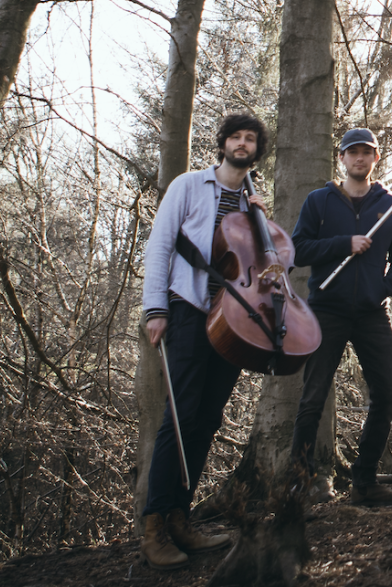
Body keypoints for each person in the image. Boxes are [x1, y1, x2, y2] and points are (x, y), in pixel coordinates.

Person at [139, 114, 268, 571]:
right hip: (189, 310)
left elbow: (258, 268)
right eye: (236, 137)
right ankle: (154, 524)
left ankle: (181, 518)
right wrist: (155, 309)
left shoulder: (254, 202)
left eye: (251, 139)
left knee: (207, 417)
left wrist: (261, 224)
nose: (242, 144)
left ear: (258, 149)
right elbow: (160, 246)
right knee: (180, 416)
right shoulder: (189, 186)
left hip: (232, 322)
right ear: (223, 144)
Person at [289, 127, 392, 506]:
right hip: (326, 309)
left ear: (376, 158)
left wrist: (381, 290)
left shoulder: (391, 205)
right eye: (352, 152)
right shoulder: (319, 201)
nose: (359, 158)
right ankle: (297, 487)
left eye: (367, 152)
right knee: (312, 397)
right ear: (341, 158)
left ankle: (363, 482)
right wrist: (344, 244)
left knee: (387, 394)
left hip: (372, 313)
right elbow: (298, 250)